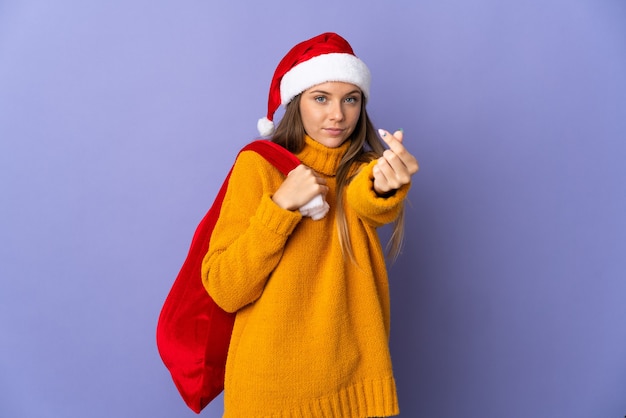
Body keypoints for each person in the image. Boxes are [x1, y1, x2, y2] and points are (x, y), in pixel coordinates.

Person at [201, 32, 418, 418]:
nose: (338, 114)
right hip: (268, 392)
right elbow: (225, 287)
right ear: (296, 102)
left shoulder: (362, 171)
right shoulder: (259, 166)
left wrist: (385, 186)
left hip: (353, 386)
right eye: (321, 98)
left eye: (350, 99)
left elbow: (366, 200)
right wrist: (282, 205)